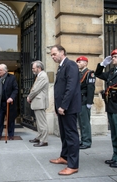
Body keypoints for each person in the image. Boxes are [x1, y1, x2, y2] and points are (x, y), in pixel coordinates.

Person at [49, 45, 81, 175]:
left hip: (68, 108)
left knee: (71, 135)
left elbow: (71, 87)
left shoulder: (71, 65)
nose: (53, 57)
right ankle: (64, 157)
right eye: (51, 55)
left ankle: (73, 165)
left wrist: (63, 106)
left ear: (62, 52)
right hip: (62, 107)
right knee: (64, 134)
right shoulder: (62, 66)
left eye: (54, 54)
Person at [95, 48, 117, 168]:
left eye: (115, 56)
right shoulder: (113, 72)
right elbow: (98, 74)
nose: (113, 58)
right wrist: (102, 65)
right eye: (112, 57)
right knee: (114, 134)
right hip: (111, 106)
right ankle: (116, 155)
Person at [0, 64, 18, 140]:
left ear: (5, 71)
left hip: (9, 103)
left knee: (10, 119)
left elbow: (15, 89)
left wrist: (11, 98)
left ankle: (10, 135)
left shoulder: (12, 78)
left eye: (0, 70)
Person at [27, 60, 49, 147]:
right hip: (38, 102)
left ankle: (44, 140)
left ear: (39, 68)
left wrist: (29, 97)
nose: (32, 69)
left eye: (34, 68)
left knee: (42, 123)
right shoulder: (39, 75)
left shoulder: (43, 76)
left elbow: (36, 89)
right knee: (39, 123)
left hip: (40, 102)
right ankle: (40, 137)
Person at [76, 56, 96, 149]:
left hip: (84, 100)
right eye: (78, 62)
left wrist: (89, 102)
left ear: (85, 63)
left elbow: (91, 88)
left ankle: (87, 141)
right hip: (79, 100)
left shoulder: (89, 73)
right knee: (80, 122)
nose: (78, 63)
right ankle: (83, 139)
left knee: (85, 122)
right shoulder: (79, 73)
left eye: (80, 62)